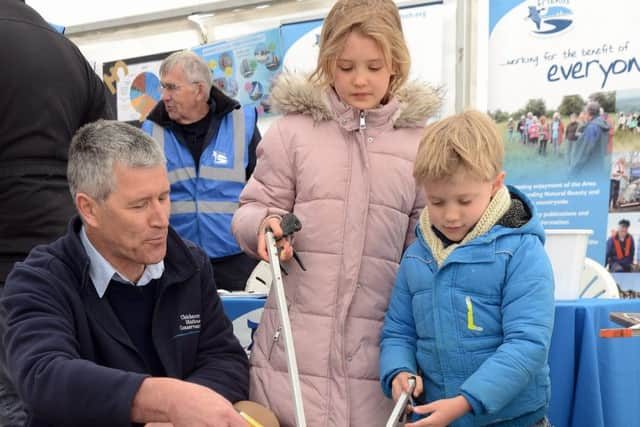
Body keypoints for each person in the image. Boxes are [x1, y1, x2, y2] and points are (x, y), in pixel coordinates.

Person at [231, 0, 441, 425]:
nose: (360, 79)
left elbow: (424, 244)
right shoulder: (292, 133)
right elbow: (252, 208)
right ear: (327, 62)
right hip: (292, 354)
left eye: (373, 66)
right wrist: (264, 226)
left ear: (396, 64)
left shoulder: (419, 145)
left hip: (379, 351)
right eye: (345, 67)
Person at [1, 120, 254, 426]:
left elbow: (224, 358)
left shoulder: (190, 265)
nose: (161, 219)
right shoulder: (39, 281)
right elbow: (44, 376)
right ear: (89, 208)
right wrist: (166, 402)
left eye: (163, 197)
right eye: (139, 205)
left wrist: (178, 415)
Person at [380, 111, 555, 427]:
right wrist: (399, 370)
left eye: (464, 200)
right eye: (437, 201)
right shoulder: (417, 256)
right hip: (440, 416)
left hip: (512, 420)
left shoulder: (521, 252)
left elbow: (527, 344)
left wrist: (466, 402)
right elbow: (398, 331)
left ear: (495, 184)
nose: (450, 215)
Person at [0, 2, 115, 425]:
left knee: (10, 391)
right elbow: (107, 151)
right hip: (63, 246)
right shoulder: (67, 52)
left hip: (6, 246)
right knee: (57, 374)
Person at [142, 50, 261, 292]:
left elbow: (264, 189)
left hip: (238, 260)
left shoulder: (242, 123)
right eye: (162, 88)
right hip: (177, 261)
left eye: (172, 88)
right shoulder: (150, 131)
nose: (164, 96)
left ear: (198, 91)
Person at [568, 102, 610, 178]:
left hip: (588, 170)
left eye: (585, 112)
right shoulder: (602, 124)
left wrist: (572, 172)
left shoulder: (592, 128)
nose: (584, 114)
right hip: (598, 167)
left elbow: (583, 153)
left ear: (588, 113)